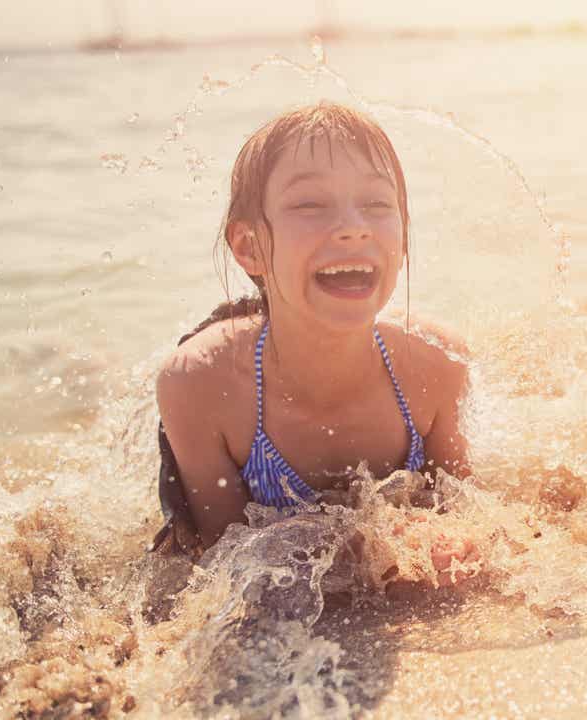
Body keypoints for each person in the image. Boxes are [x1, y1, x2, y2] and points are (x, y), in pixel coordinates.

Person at [152, 102, 476, 586]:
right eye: (310, 205)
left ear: (403, 236)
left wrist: (448, 543)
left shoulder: (434, 364)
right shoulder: (201, 385)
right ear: (250, 247)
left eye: (377, 204)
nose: (353, 226)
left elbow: (468, 517)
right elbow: (223, 568)